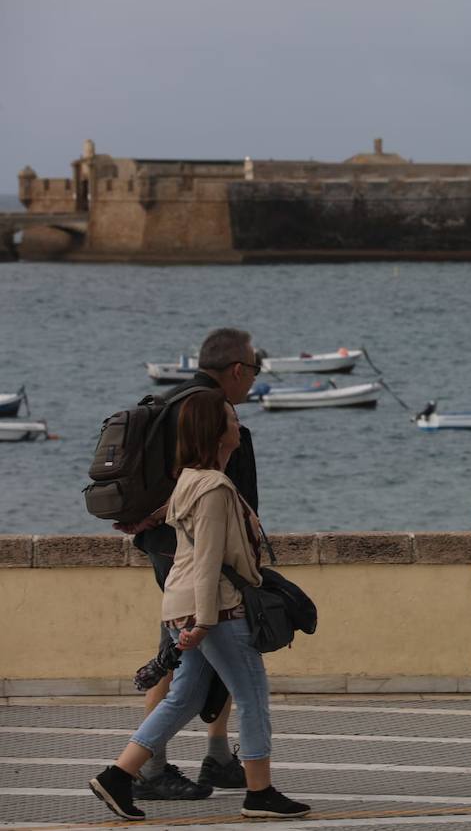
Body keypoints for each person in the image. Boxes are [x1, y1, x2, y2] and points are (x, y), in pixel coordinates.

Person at [90, 392, 310, 821]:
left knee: (185, 697)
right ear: (216, 433)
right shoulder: (212, 486)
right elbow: (208, 561)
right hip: (213, 609)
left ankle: (118, 776)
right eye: (231, 419)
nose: (238, 426)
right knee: (252, 696)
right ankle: (259, 793)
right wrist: (205, 622)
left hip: (182, 601)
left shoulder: (188, 479)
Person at [123, 328, 261, 800]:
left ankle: (218, 755)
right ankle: (144, 769)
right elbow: (221, 491)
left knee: (203, 653)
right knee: (179, 655)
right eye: (254, 370)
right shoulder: (210, 411)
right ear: (239, 370)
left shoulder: (171, 402)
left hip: (167, 547)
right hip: (193, 556)